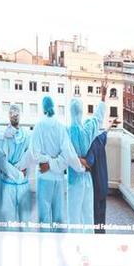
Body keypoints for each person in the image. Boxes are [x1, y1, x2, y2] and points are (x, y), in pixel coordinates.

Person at [28, 96, 86, 229]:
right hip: (59, 179)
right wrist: (80, 167)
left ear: (43, 108)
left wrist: (48, 163)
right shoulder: (61, 128)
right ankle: (57, 245)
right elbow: (68, 155)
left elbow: (34, 155)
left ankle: (45, 245)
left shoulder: (38, 127)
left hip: (44, 178)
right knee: (59, 218)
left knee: (43, 218)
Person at [65, 88, 107, 230]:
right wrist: (102, 97)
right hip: (87, 180)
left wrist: (76, 160)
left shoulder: (66, 132)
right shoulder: (88, 130)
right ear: (81, 112)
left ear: (70, 112)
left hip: (74, 180)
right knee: (88, 215)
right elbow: (98, 118)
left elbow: (64, 154)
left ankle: (75, 245)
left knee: (74, 216)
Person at [0, 105, 33, 224]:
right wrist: (20, 173)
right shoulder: (27, 136)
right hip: (22, 182)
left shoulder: (3, 136)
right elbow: (29, 157)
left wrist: (16, 172)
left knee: (10, 224)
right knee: (25, 223)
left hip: (8, 183)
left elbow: (2, 162)